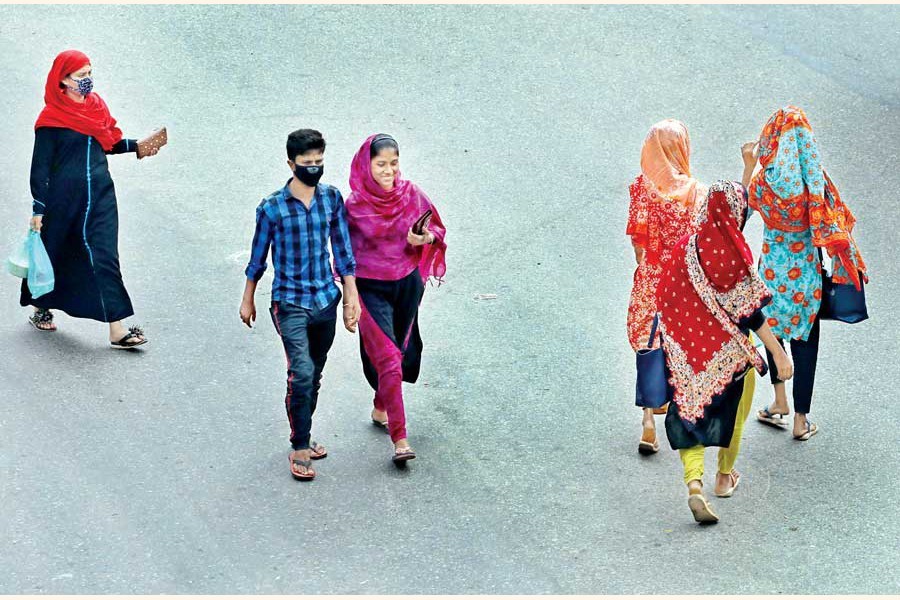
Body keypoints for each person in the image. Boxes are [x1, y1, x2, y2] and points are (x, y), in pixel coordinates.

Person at [656, 180, 794, 524]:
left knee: (689, 415)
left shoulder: (684, 250)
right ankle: (724, 477)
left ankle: (694, 484)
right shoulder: (733, 255)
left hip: (688, 356)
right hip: (730, 355)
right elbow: (750, 311)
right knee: (734, 414)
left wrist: (679, 346)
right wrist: (778, 354)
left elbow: (666, 300)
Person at [240, 128, 360, 482]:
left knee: (314, 373)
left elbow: (343, 251)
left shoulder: (331, 199)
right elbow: (258, 257)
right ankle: (300, 445)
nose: (314, 168)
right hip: (289, 302)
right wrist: (248, 297)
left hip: (325, 298)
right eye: (307, 163)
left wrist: (350, 297)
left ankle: (304, 430)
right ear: (291, 163)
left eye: (319, 162)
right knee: (302, 372)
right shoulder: (272, 208)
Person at [21, 49, 161, 347]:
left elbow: (107, 142)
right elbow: (40, 167)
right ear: (63, 81)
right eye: (80, 75)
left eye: (89, 73)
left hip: (100, 197)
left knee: (105, 257)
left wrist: (137, 146)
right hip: (63, 201)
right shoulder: (50, 120)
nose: (87, 80)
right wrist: (39, 207)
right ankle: (40, 305)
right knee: (56, 251)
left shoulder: (96, 108)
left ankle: (118, 329)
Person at [744, 106, 868, 441]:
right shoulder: (815, 185)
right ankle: (800, 420)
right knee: (805, 341)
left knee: (772, 332)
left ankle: (779, 400)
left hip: (770, 273)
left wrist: (747, 165)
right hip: (806, 279)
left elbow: (740, 215)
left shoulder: (764, 183)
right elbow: (833, 228)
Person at [344, 134, 447, 466]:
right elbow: (342, 253)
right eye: (381, 165)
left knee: (400, 354)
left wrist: (425, 237)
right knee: (388, 356)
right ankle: (400, 439)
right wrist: (349, 297)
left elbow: (437, 229)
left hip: (406, 284)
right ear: (366, 165)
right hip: (369, 288)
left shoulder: (411, 194)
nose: (389, 171)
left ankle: (380, 406)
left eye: (393, 163)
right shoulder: (354, 207)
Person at [626, 119, 707, 455]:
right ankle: (678, 415)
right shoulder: (695, 192)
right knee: (678, 344)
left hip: (652, 275)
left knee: (649, 341)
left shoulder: (642, 188)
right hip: (682, 281)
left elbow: (638, 245)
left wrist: (648, 270)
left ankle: (647, 419)